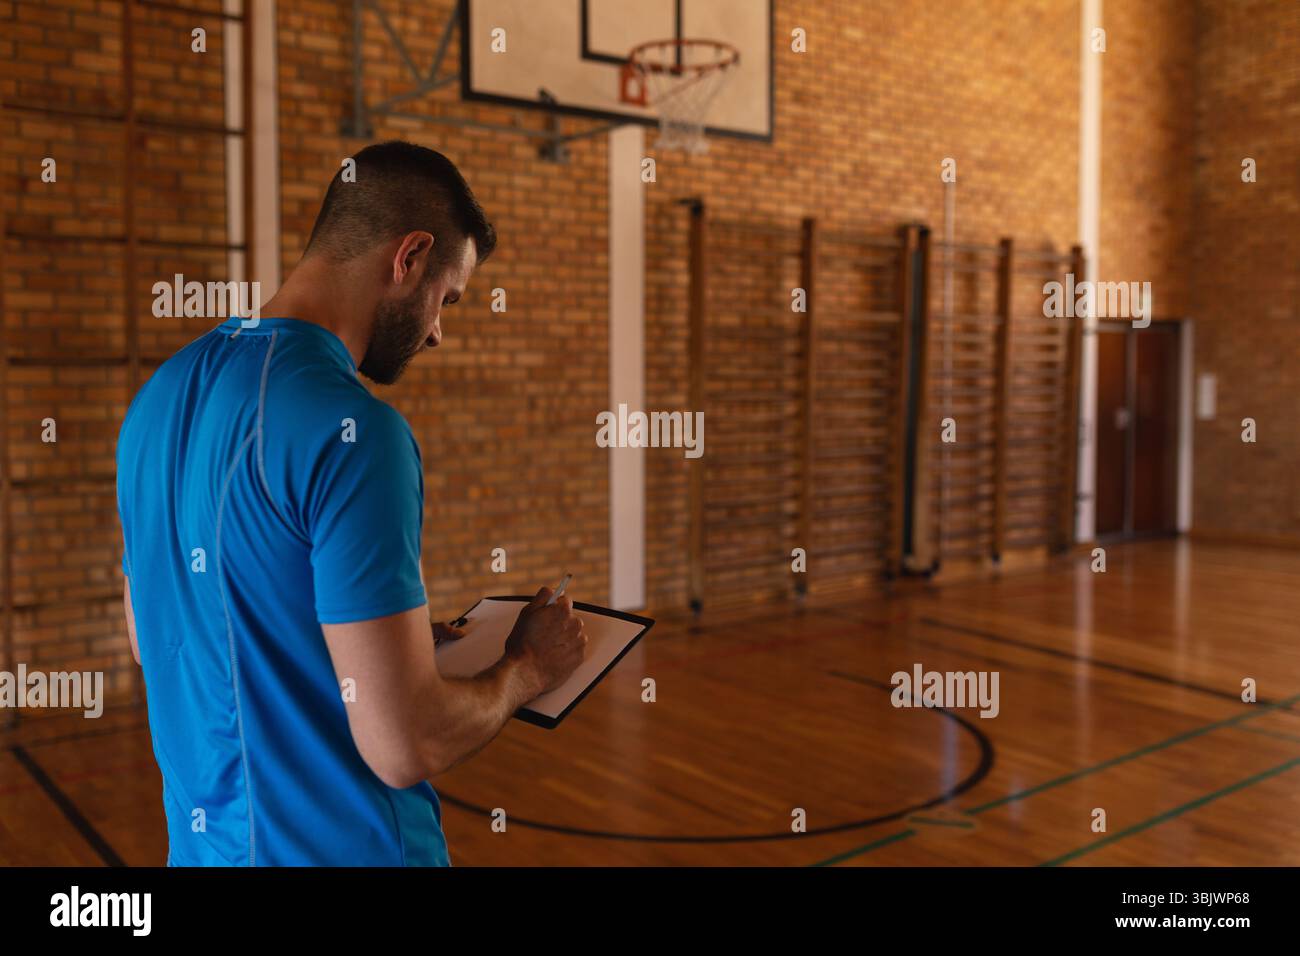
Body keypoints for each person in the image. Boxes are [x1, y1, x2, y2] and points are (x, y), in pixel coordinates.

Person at [116, 141, 586, 866]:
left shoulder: (157, 401)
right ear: (410, 257)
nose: (437, 330)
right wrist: (527, 669)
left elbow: (160, 636)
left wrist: (366, 645)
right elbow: (406, 745)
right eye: (447, 298)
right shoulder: (356, 431)